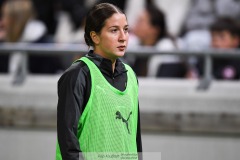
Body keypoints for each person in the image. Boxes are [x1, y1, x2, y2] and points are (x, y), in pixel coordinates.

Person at [55, 3, 142, 160]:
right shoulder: (78, 76)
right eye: (114, 30)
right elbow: (68, 142)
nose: (123, 37)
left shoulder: (131, 75)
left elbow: (135, 139)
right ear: (95, 36)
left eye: (126, 29)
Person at [129, 2, 187, 77]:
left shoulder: (167, 48)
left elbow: (165, 82)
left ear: (154, 30)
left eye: (140, 21)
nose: (135, 24)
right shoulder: (134, 45)